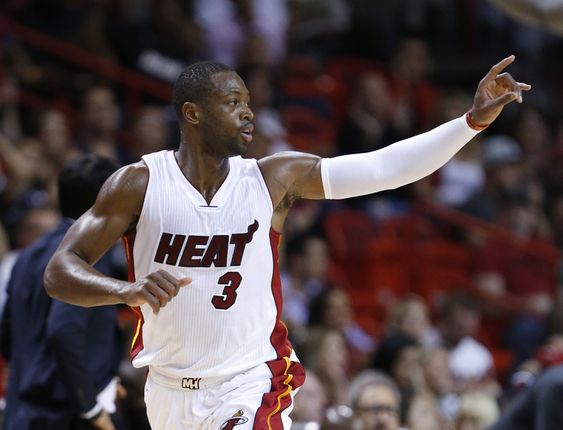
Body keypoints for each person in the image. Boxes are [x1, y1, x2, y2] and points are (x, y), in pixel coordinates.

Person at [43, 56, 529, 429]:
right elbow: (60, 271)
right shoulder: (139, 183)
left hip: (251, 380)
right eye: (232, 102)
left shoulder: (274, 178)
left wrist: (471, 122)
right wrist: (124, 291)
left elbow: (384, 168)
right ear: (192, 113)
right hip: (167, 389)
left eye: (248, 100)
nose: (248, 111)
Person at [0, 154, 123, 430]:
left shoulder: (29, 254)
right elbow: (64, 329)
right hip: (65, 415)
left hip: (21, 412)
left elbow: (7, 334)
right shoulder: (86, 257)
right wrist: (90, 405)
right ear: (106, 202)